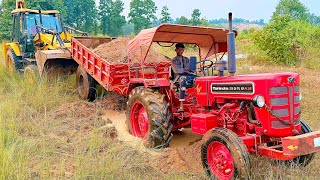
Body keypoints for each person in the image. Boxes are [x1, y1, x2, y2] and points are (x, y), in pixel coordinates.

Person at [171, 43, 196, 112]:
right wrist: (186, 69)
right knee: (183, 80)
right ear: (176, 50)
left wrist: (190, 70)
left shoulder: (187, 59)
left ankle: (196, 99)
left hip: (188, 75)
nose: (180, 51)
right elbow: (177, 70)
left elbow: (191, 69)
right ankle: (181, 105)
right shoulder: (173, 60)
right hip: (178, 77)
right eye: (179, 49)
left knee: (199, 79)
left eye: (182, 50)